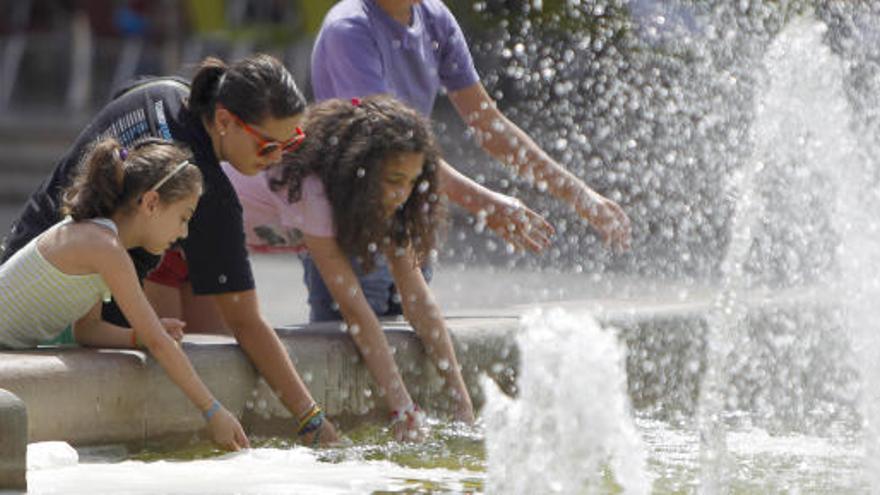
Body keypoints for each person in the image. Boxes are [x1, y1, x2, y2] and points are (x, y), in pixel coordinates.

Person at [0, 54, 338, 446]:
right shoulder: (201, 196)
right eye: (267, 146)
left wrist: (140, 336)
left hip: (24, 251)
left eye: (290, 144)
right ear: (225, 121)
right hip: (47, 312)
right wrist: (308, 418)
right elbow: (245, 322)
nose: (277, 158)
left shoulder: (163, 92)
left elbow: (90, 327)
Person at [307, 0, 632, 321]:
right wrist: (487, 204)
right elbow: (391, 151)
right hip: (351, 226)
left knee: (414, 353)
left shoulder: (434, 18)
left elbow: (489, 126)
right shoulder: (350, 29)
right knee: (354, 360)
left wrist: (580, 196)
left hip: (409, 220)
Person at [224, 95, 474, 441]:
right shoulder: (316, 193)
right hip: (192, 232)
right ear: (361, 170)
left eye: (412, 182)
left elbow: (418, 299)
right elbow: (355, 309)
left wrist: (463, 405)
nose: (403, 193)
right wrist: (402, 407)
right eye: (393, 180)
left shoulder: (389, 200)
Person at [0, 137, 249, 451]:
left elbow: (87, 330)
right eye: (183, 217)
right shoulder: (104, 246)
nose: (183, 233)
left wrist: (137, 338)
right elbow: (160, 344)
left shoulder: (103, 243)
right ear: (151, 203)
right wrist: (213, 411)